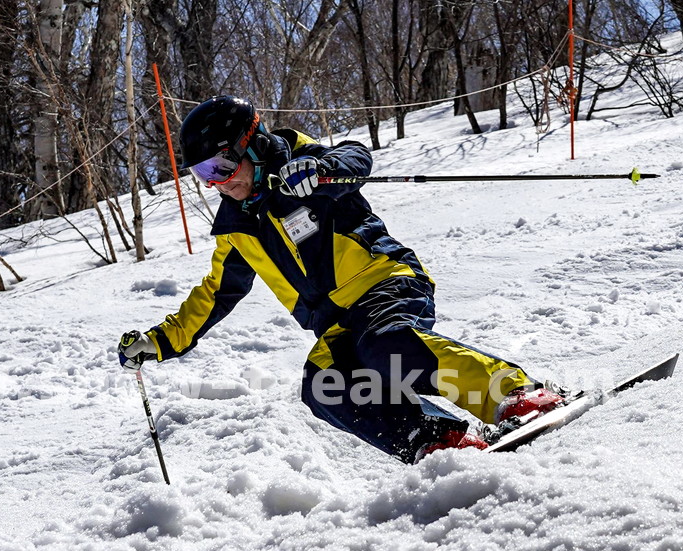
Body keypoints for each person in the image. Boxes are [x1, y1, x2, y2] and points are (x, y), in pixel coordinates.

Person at [117, 96, 564, 463]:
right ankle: (436, 440)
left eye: (219, 168)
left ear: (249, 145)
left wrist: (320, 173)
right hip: (337, 322)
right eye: (203, 176)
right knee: (322, 383)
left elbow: (356, 158)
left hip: (385, 281)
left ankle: (517, 394)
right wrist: (158, 342)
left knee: (384, 346)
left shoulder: (302, 162)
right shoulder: (237, 225)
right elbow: (214, 295)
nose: (217, 184)